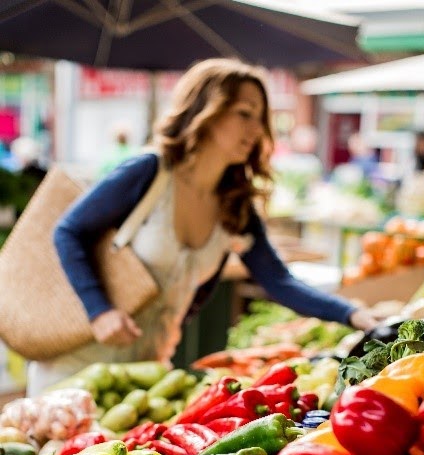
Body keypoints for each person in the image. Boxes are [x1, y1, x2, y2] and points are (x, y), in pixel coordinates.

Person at [27, 58, 378, 395]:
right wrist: (100, 311)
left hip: (148, 372)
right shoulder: (150, 172)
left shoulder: (235, 205)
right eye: (244, 114)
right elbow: (68, 231)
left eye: (260, 118)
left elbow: (279, 281)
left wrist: (356, 315)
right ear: (206, 111)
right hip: (77, 362)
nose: (257, 130)